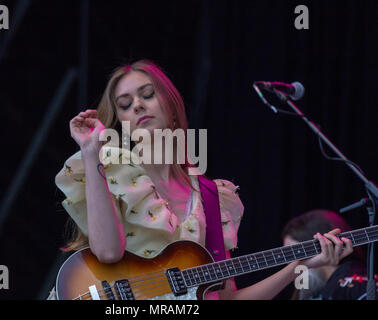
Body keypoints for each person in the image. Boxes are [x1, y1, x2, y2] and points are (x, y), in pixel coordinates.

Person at [48, 59, 353, 300]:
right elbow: (108, 253)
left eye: (147, 94)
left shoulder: (211, 197)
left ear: (172, 108)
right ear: (122, 124)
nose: (137, 106)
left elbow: (226, 298)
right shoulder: (111, 171)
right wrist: (90, 152)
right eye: (125, 104)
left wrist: (297, 265)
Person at [282, 209, 378, 300]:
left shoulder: (356, 285)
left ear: (320, 247)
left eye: (295, 254)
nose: (291, 264)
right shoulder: (328, 288)